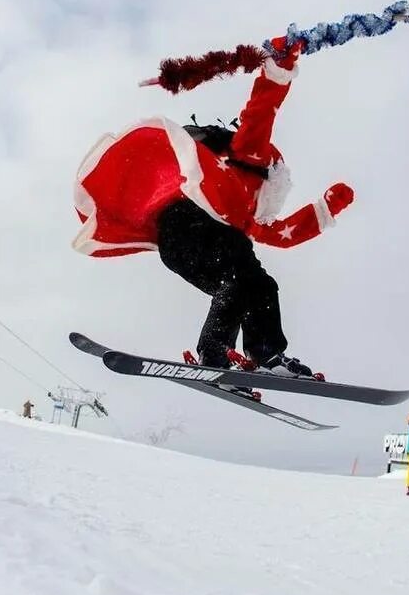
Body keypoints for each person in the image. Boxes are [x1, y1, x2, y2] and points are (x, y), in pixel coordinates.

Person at [71, 38, 354, 377]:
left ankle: (266, 356)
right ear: (273, 177)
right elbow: (260, 113)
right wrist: (279, 68)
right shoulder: (248, 159)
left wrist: (326, 208)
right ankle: (214, 350)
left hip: (184, 247)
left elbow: (283, 235)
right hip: (190, 225)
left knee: (259, 286)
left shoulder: (248, 217)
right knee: (240, 271)